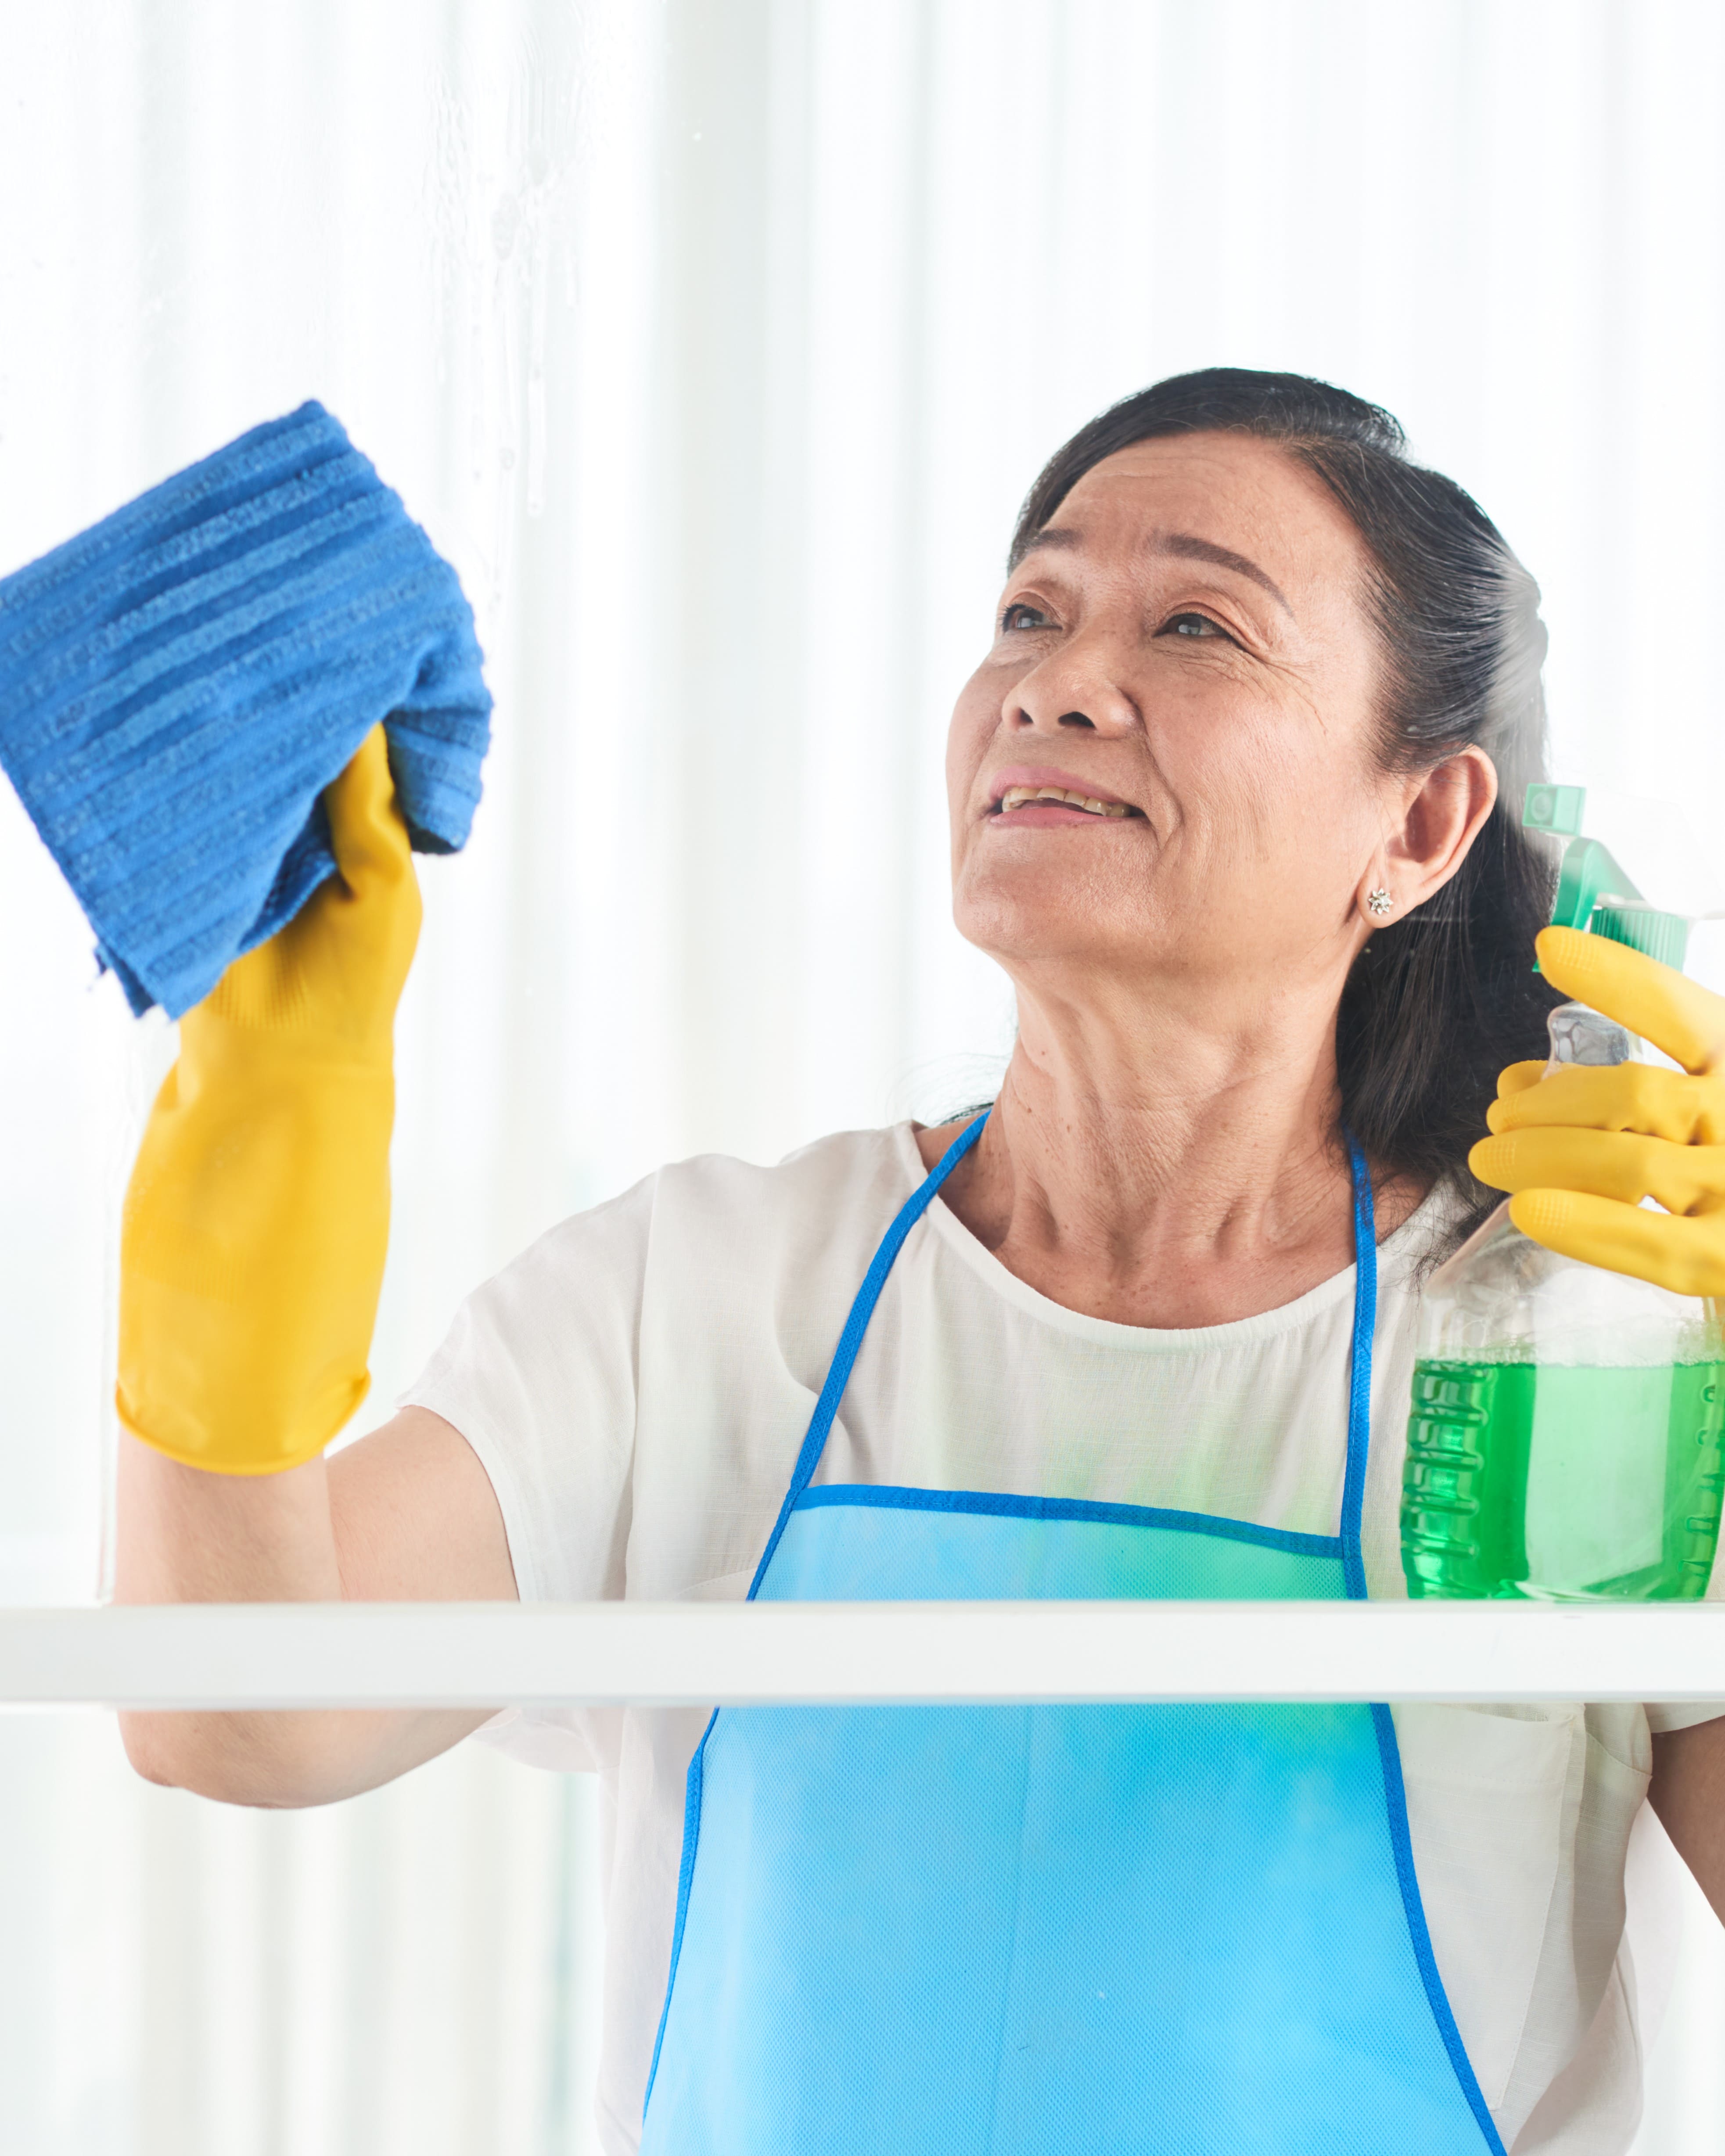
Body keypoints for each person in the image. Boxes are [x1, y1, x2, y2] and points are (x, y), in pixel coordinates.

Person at [115, 369, 1725, 2156]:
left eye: (1194, 625)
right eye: (1030, 613)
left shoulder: (1575, 1352)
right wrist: (253, 1138)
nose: (1057, 681)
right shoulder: (705, 1298)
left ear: (1416, 827)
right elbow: (239, 1716)